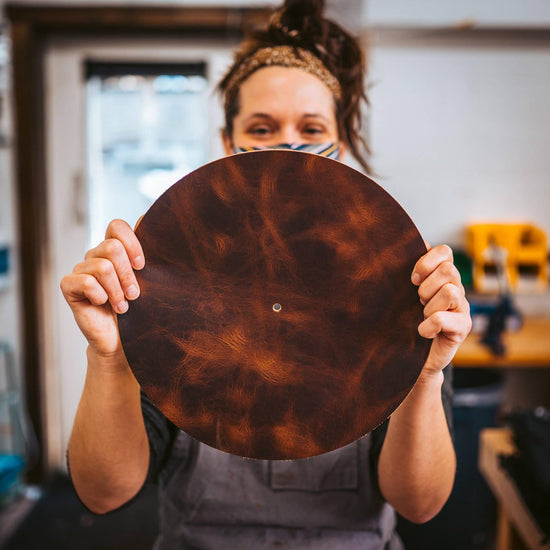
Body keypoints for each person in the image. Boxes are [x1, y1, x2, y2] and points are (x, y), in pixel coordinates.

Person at [60, 1, 472, 548]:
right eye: (262, 126)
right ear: (229, 143)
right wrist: (109, 358)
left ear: (339, 147)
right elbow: (103, 493)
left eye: (311, 127)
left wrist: (424, 376)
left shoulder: (396, 282)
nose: (288, 144)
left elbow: (420, 504)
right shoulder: (167, 280)